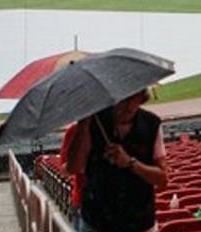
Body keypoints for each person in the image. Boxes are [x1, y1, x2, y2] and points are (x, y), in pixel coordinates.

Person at [65, 89, 169, 232]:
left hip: (140, 222)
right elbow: (74, 168)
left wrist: (130, 163)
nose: (130, 106)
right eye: (125, 99)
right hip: (96, 222)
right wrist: (83, 126)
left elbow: (162, 179)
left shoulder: (152, 124)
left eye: (136, 98)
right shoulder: (93, 121)